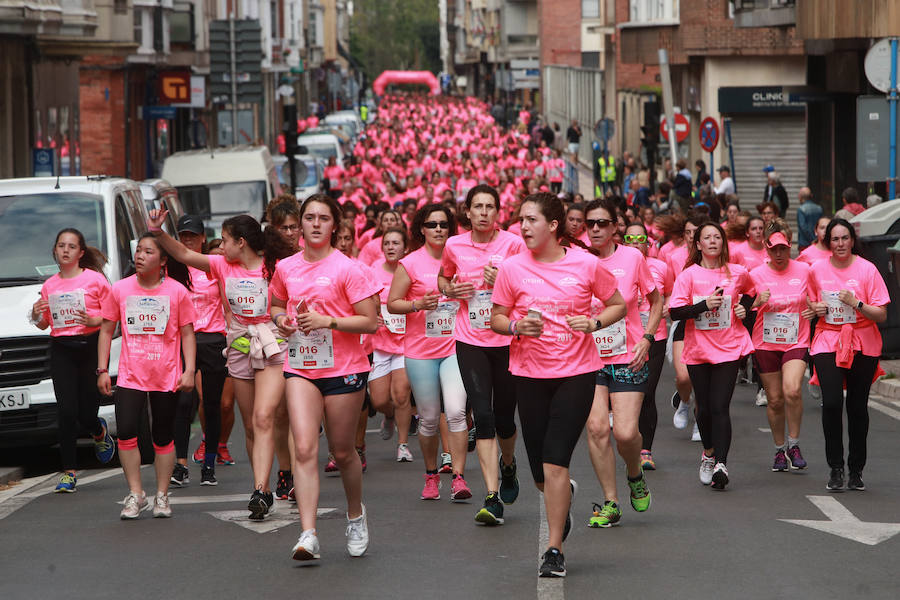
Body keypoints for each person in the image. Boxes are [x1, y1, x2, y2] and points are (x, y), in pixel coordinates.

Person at [490, 192, 626, 578]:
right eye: (521, 219)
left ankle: (554, 549)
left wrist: (594, 323)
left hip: (576, 374)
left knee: (554, 461)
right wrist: (516, 326)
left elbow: (618, 304)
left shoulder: (585, 264)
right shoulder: (512, 268)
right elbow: (496, 318)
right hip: (529, 375)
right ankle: (563, 494)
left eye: (531, 219)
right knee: (540, 473)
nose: (523, 226)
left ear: (553, 225)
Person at [146, 210, 294, 520]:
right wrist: (158, 232)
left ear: (241, 242)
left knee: (264, 416)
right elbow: (184, 254)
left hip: (272, 343)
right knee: (251, 425)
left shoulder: (275, 267)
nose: (221, 246)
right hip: (239, 345)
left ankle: (259, 490)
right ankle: (263, 488)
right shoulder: (222, 265)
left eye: (225, 240)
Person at [270, 193, 380, 560]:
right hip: (300, 367)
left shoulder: (348, 269)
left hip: (344, 369)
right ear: (300, 225)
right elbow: (275, 305)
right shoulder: (286, 267)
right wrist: (282, 320)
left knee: (343, 451)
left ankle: (356, 515)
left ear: (335, 226)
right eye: (310, 217)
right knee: (303, 448)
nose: (316, 224)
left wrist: (327, 321)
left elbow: (369, 321)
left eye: (323, 218)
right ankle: (308, 534)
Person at [438, 184, 527, 526]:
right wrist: (451, 289)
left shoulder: (513, 244)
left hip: (507, 341)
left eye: (490, 206)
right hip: (470, 339)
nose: (484, 212)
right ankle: (492, 496)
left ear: (498, 212)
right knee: (484, 416)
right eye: (478, 206)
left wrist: (504, 278)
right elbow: (443, 279)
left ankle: (509, 464)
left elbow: (528, 286)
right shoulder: (454, 245)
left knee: (505, 419)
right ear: (468, 211)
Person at [97, 233, 197, 518]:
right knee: (127, 431)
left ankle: (162, 496)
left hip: (166, 375)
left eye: (148, 251)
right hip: (131, 374)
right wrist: (102, 369)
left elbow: (188, 333)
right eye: (138, 250)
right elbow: (106, 330)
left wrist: (189, 370)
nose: (140, 256)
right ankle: (136, 493)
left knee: (162, 436)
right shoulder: (120, 289)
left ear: (163, 260)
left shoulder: (177, 291)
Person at [582, 199, 662, 529]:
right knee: (597, 428)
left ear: (615, 227)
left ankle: (634, 473)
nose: (596, 228)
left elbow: (656, 300)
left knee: (626, 434)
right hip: (587, 358)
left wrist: (648, 337)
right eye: (590, 223)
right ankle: (611, 502)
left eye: (602, 223)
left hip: (628, 355)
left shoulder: (632, 258)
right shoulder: (576, 260)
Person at [387, 204, 471, 502]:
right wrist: (417, 305)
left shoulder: (460, 259)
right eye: (432, 224)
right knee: (430, 418)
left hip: (455, 347)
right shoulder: (410, 263)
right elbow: (392, 303)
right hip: (421, 352)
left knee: (457, 412)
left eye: (443, 225)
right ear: (421, 229)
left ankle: (458, 477)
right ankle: (431, 475)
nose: (438, 229)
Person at [669, 221, 755, 490]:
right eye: (707, 237)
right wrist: (702, 305)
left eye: (717, 237)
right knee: (704, 408)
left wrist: (743, 308)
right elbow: (675, 312)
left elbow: (751, 292)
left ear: (723, 243)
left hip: (729, 346)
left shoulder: (737, 272)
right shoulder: (689, 276)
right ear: (698, 244)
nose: (713, 241)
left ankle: (721, 464)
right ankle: (708, 453)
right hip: (698, 349)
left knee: (720, 406)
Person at [807, 219, 889, 492]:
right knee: (831, 403)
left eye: (845, 238)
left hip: (862, 341)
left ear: (852, 241)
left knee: (856, 406)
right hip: (828, 339)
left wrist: (856, 303)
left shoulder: (867, 269)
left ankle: (856, 469)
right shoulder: (817, 269)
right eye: (835, 239)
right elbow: (809, 300)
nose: (840, 244)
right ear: (828, 242)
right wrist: (816, 308)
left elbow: (881, 314)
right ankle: (835, 467)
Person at [31, 229, 115, 493]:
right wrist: (35, 314)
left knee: (86, 413)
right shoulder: (50, 285)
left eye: (71, 246)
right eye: (61, 246)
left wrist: (93, 319)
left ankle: (98, 431)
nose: (65, 250)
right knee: (66, 411)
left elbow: (113, 315)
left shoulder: (95, 280)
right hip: (62, 349)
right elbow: (44, 323)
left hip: (90, 347)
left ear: (81, 252)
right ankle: (68, 472)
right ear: (55, 251)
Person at [748, 222, 812, 473]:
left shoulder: (805, 270)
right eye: (774, 248)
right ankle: (779, 449)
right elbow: (742, 305)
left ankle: (794, 445)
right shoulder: (755, 274)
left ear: (790, 246)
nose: (778, 254)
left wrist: (815, 308)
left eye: (783, 248)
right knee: (774, 400)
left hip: (796, 340)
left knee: (792, 390)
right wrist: (756, 301)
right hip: (766, 343)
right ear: (766, 247)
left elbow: (817, 297)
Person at [170, 215, 228, 487]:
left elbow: (228, 305)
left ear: (203, 238)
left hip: (214, 339)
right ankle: (181, 464)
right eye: (183, 235)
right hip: (183, 341)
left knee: (213, 405)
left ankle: (209, 464)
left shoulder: (214, 265)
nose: (188, 240)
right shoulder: (172, 268)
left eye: (193, 235)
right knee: (183, 403)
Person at [624, 222, 672, 474]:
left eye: (639, 238)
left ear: (648, 243)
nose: (635, 243)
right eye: (629, 239)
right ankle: (629, 439)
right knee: (630, 393)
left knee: (647, 391)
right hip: (626, 337)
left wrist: (667, 307)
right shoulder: (618, 266)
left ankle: (646, 450)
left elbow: (671, 293)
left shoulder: (661, 267)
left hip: (655, 336)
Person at [369, 227, 415, 462]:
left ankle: (403, 445)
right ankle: (389, 416)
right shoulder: (372, 271)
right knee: (378, 401)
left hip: (404, 342)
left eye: (396, 243)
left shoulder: (410, 270)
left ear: (405, 248)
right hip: (379, 342)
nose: (390, 247)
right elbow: (364, 300)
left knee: (401, 395)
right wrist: (372, 316)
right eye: (387, 243)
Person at [796, 187, 823, 251]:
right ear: (811, 196)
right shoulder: (819, 208)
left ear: (800, 197)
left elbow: (803, 227)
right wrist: (815, 239)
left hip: (804, 243)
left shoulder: (801, 209)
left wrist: (811, 239)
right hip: (817, 242)